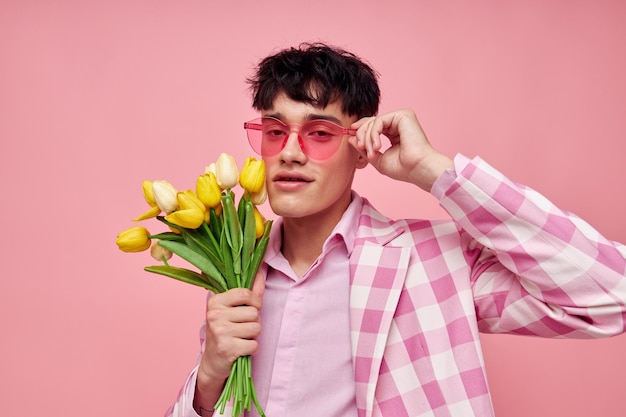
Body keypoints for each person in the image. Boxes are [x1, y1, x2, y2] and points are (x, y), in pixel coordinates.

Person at [165, 42, 626, 417]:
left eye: (320, 133)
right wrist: (208, 379)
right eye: (274, 131)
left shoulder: (435, 264)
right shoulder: (236, 272)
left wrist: (434, 171)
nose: (290, 152)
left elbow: (611, 296)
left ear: (362, 148)